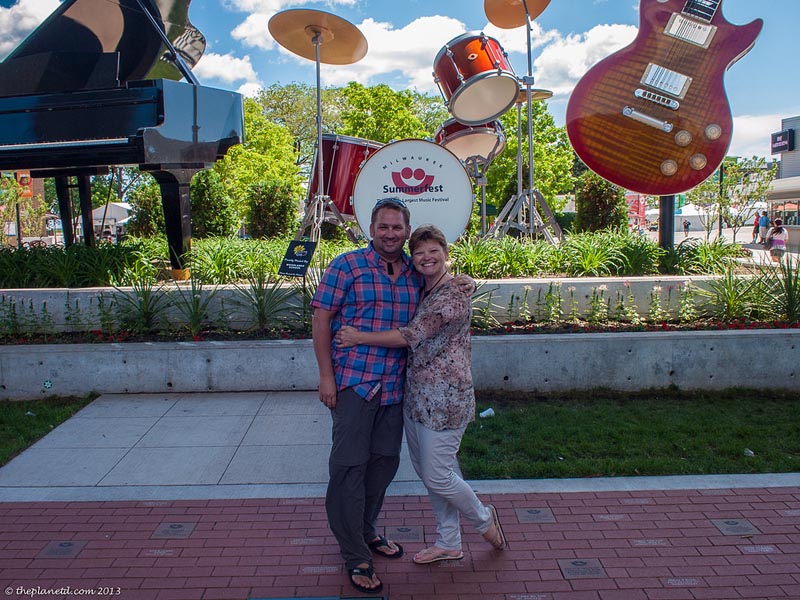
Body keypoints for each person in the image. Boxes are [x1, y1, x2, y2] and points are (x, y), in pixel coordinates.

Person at [336, 224, 506, 566]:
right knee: (431, 473)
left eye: (434, 251)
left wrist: (358, 337)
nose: (426, 257)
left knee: (437, 474)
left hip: (445, 401)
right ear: (412, 259)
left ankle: (484, 519)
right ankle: (448, 541)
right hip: (416, 397)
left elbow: (411, 335)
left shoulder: (452, 296)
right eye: (419, 252)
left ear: (446, 253)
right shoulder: (427, 288)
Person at [311, 197, 417, 594]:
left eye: (397, 227)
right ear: (371, 229)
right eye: (383, 227)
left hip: (394, 386)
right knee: (349, 468)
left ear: (407, 230)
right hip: (355, 383)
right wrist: (326, 377)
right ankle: (355, 554)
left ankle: (367, 529)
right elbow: (321, 319)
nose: (390, 234)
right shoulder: (347, 265)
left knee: (384, 464)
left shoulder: (412, 271)